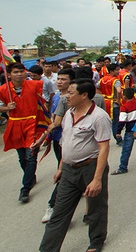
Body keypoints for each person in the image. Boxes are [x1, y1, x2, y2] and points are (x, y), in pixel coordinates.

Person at [39, 79, 112, 252]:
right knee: (59, 211)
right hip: (69, 170)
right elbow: (66, 143)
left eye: (71, 93)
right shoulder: (68, 115)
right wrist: (60, 168)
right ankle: (48, 249)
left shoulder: (99, 117)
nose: (66, 96)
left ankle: (96, 240)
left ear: (84, 95)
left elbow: (104, 148)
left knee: (96, 208)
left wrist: (97, 179)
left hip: (91, 168)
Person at [0, 62, 44, 203]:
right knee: (22, 157)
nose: (19, 74)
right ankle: (30, 175)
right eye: (16, 72)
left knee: (31, 156)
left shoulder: (35, 85)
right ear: (9, 74)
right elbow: (0, 107)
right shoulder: (3, 90)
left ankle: (25, 188)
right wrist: (7, 108)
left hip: (32, 124)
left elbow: (43, 101)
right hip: (15, 124)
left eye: (21, 71)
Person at [41, 67, 76, 223]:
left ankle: (53, 206)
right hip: (57, 139)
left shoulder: (74, 99)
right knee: (64, 171)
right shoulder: (56, 97)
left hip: (72, 141)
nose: (59, 82)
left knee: (64, 173)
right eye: (59, 79)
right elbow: (53, 120)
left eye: (63, 79)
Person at [111, 88, 136, 175]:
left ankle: (123, 167)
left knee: (126, 149)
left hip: (130, 130)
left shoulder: (124, 107)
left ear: (124, 97)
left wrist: (118, 132)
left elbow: (122, 121)